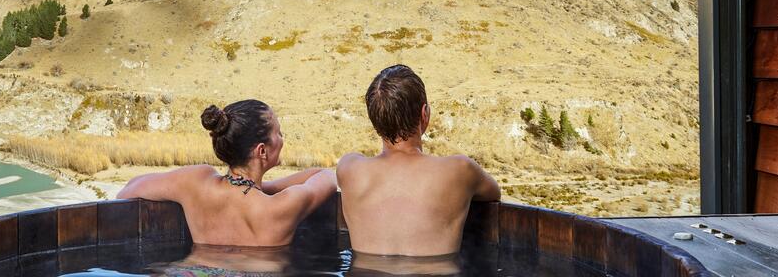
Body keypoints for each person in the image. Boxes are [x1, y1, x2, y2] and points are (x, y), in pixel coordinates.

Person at [116, 99, 337, 247]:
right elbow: (326, 176)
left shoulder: (195, 182)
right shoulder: (281, 206)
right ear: (262, 150)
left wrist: (256, 187)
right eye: (278, 133)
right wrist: (261, 189)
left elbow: (127, 190)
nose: (282, 138)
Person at [337, 64, 501, 257]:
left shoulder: (349, 169)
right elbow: (494, 193)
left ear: (375, 121)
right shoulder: (459, 170)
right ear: (425, 114)